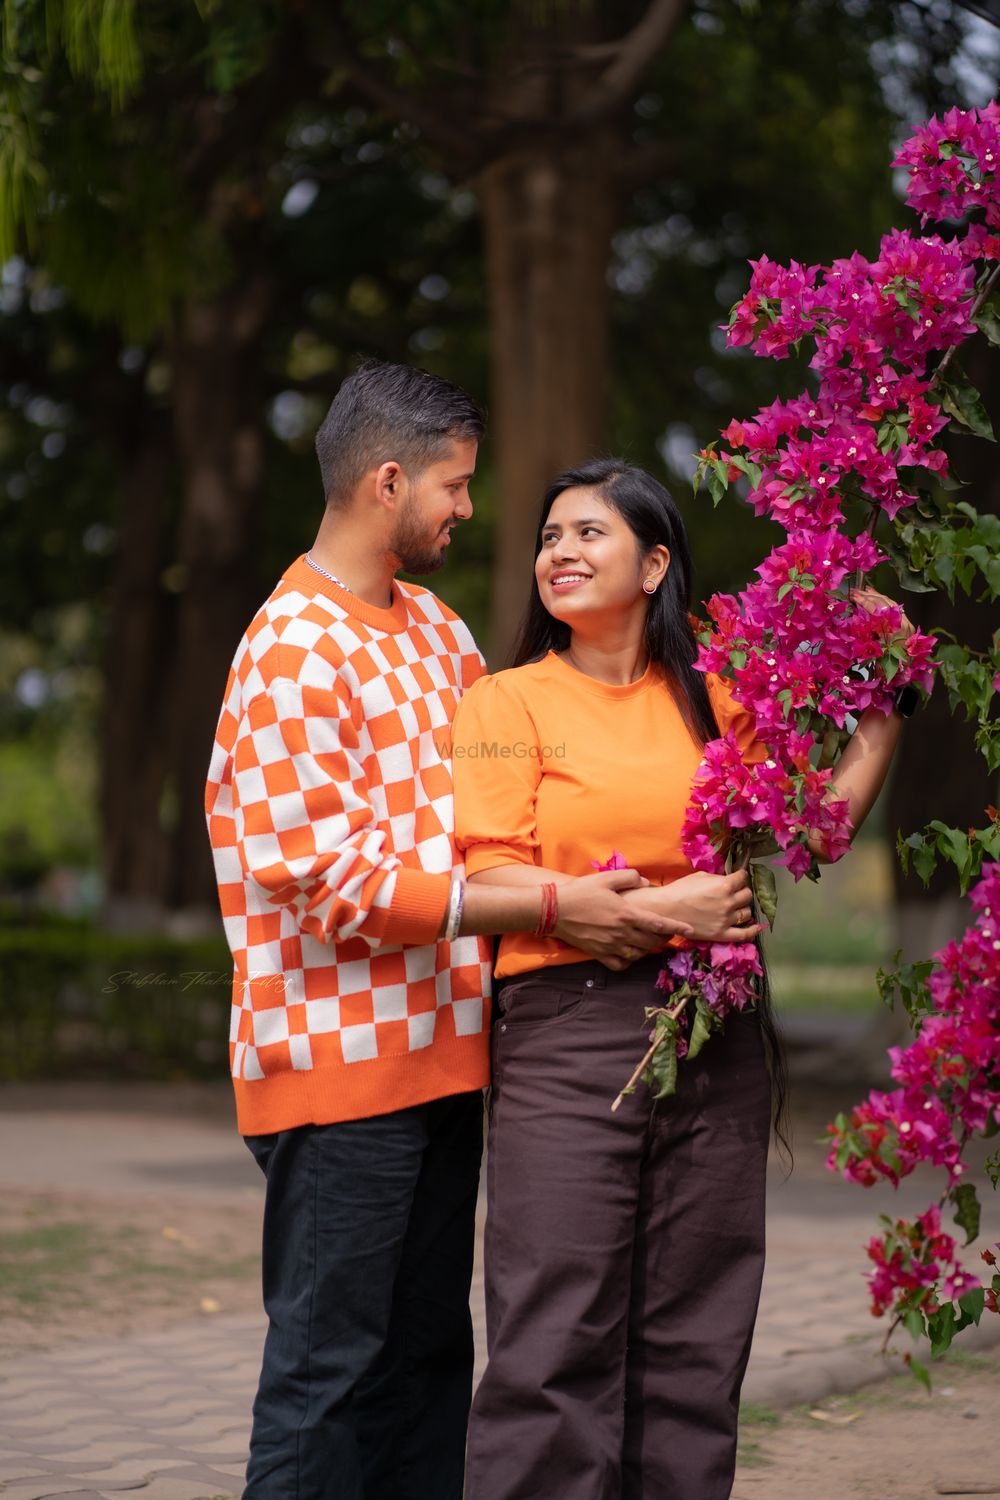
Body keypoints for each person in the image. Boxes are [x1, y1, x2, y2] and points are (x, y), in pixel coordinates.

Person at [204, 370, 688, 1500]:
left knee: (428, 1364)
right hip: (334, 1074)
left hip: (445, 1060)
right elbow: (328, 880)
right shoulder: (290, 651)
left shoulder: (439, 633)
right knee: (328, 1378)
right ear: (387, 482)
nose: (468, 510)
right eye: (454, 486)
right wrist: (557, 908)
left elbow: (504, 818)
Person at [451, 457, 913, 1500]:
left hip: (717, 1038)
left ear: (655, 564)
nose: (557, 554)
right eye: (548, 537)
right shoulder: (504, 700)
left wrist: (882, 714)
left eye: (588, 535)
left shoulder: (719, 700)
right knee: (554, 1330)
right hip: (566, 1033)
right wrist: (667, 914)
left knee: (696, 1335)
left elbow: (811, 831)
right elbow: (491, 870)